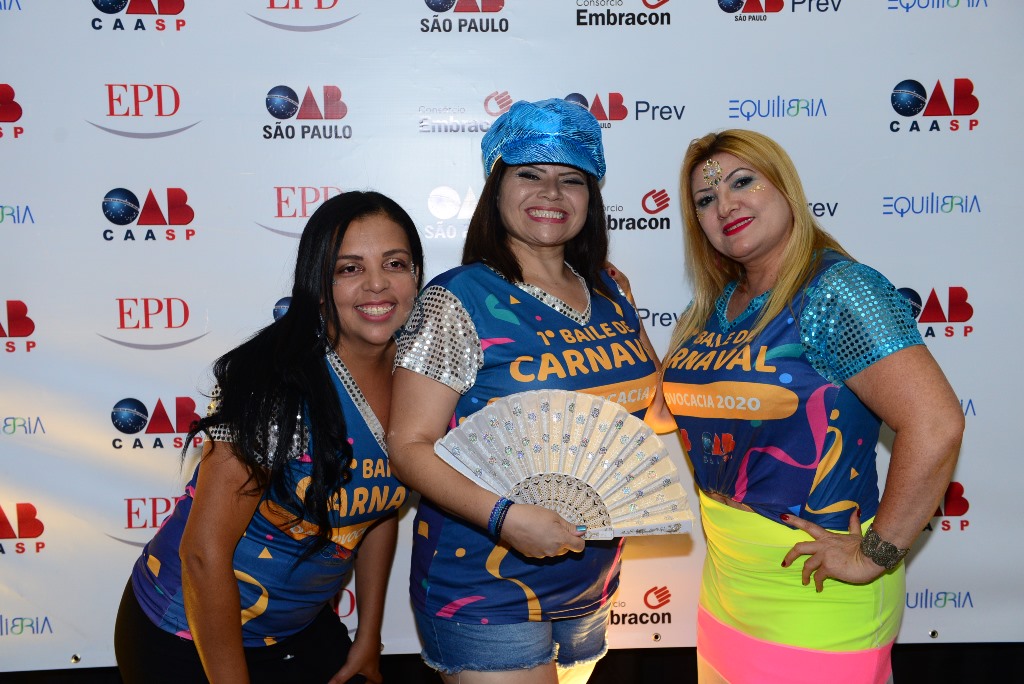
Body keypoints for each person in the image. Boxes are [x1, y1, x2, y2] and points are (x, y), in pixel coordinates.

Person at [646, 129, 964, 683]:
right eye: (706, 198)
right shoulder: (715, 306)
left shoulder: (837, 290)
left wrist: (873, 554)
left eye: (743, 182)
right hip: (725, 584)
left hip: (816, 588)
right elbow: (662, 414)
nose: (726, 205)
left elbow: (936, 424)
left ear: (786, 188)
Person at [386, 98, 661, 684]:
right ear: (497, 189)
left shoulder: (609, 291)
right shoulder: (457, 299)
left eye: (571, 179)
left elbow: (650, 409)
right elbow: (408, 446)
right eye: (529, 174)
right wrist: (504, 517)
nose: (551, 193)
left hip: (591, 576)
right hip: (484, 581)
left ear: (592, 196)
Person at [114, 191, 425, 684]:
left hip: (297, 630)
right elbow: (202, 554)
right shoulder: (272, 381)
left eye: (395, 263)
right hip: (186, 635)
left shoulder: (420, 377)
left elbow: (378, 511)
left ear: (416, 275)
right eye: (349, 268)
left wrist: (369, 636)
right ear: (317, 284)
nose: (377, 284)